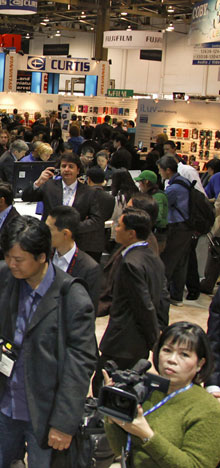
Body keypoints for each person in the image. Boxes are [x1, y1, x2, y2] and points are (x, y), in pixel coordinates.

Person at [0, 215, 97, 468]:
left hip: (45, 413)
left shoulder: (71, 297)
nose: (11, 264)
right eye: (7, 256)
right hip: (4, 405)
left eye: (18, 259)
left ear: (42, 257)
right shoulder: (2, 276)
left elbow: (80, 365)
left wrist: (64, 423)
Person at [104, 322, 220, 468]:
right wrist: (112, 414)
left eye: (184, 354)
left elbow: (196, 465)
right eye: (167, 350)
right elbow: (120, 449)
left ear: (200, 364)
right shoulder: (147, 389)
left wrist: (147, 435)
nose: (171, 359)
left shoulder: (209, 410)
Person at [95, 207, 165, 393]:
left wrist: (154, 340)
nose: (116, 228)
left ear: (131, 233)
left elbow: (144, 305)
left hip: (123, 342)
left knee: (105, 387)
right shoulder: (152, 256)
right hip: (137, 343)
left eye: (119, 225)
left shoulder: (130, 264)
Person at [21, 152, 99, 252]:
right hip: (49, 241)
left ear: (78, 170)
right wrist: (38, 182)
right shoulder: (49, 185)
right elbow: (26, 197)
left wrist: (73, 227)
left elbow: (95, 220)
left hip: (75, 242)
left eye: (71, 166)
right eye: (63, 166)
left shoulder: (89, 192)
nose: (66, 169)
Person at [46, 205, 102, 313]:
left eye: (49, 229)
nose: (45, 233)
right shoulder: (44, 256)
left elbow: (89, 312)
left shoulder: (89, 268)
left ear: (66, 233)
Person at [159, 155, 195, 303]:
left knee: (168, 261)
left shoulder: (173, 188)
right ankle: (176, 295)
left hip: (177, 228)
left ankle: (162, 297)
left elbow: (163, 204)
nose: (160, 173)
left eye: (160, 170)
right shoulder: (185, 182)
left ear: (168, 170)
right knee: (181, 263)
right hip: (187, 228)